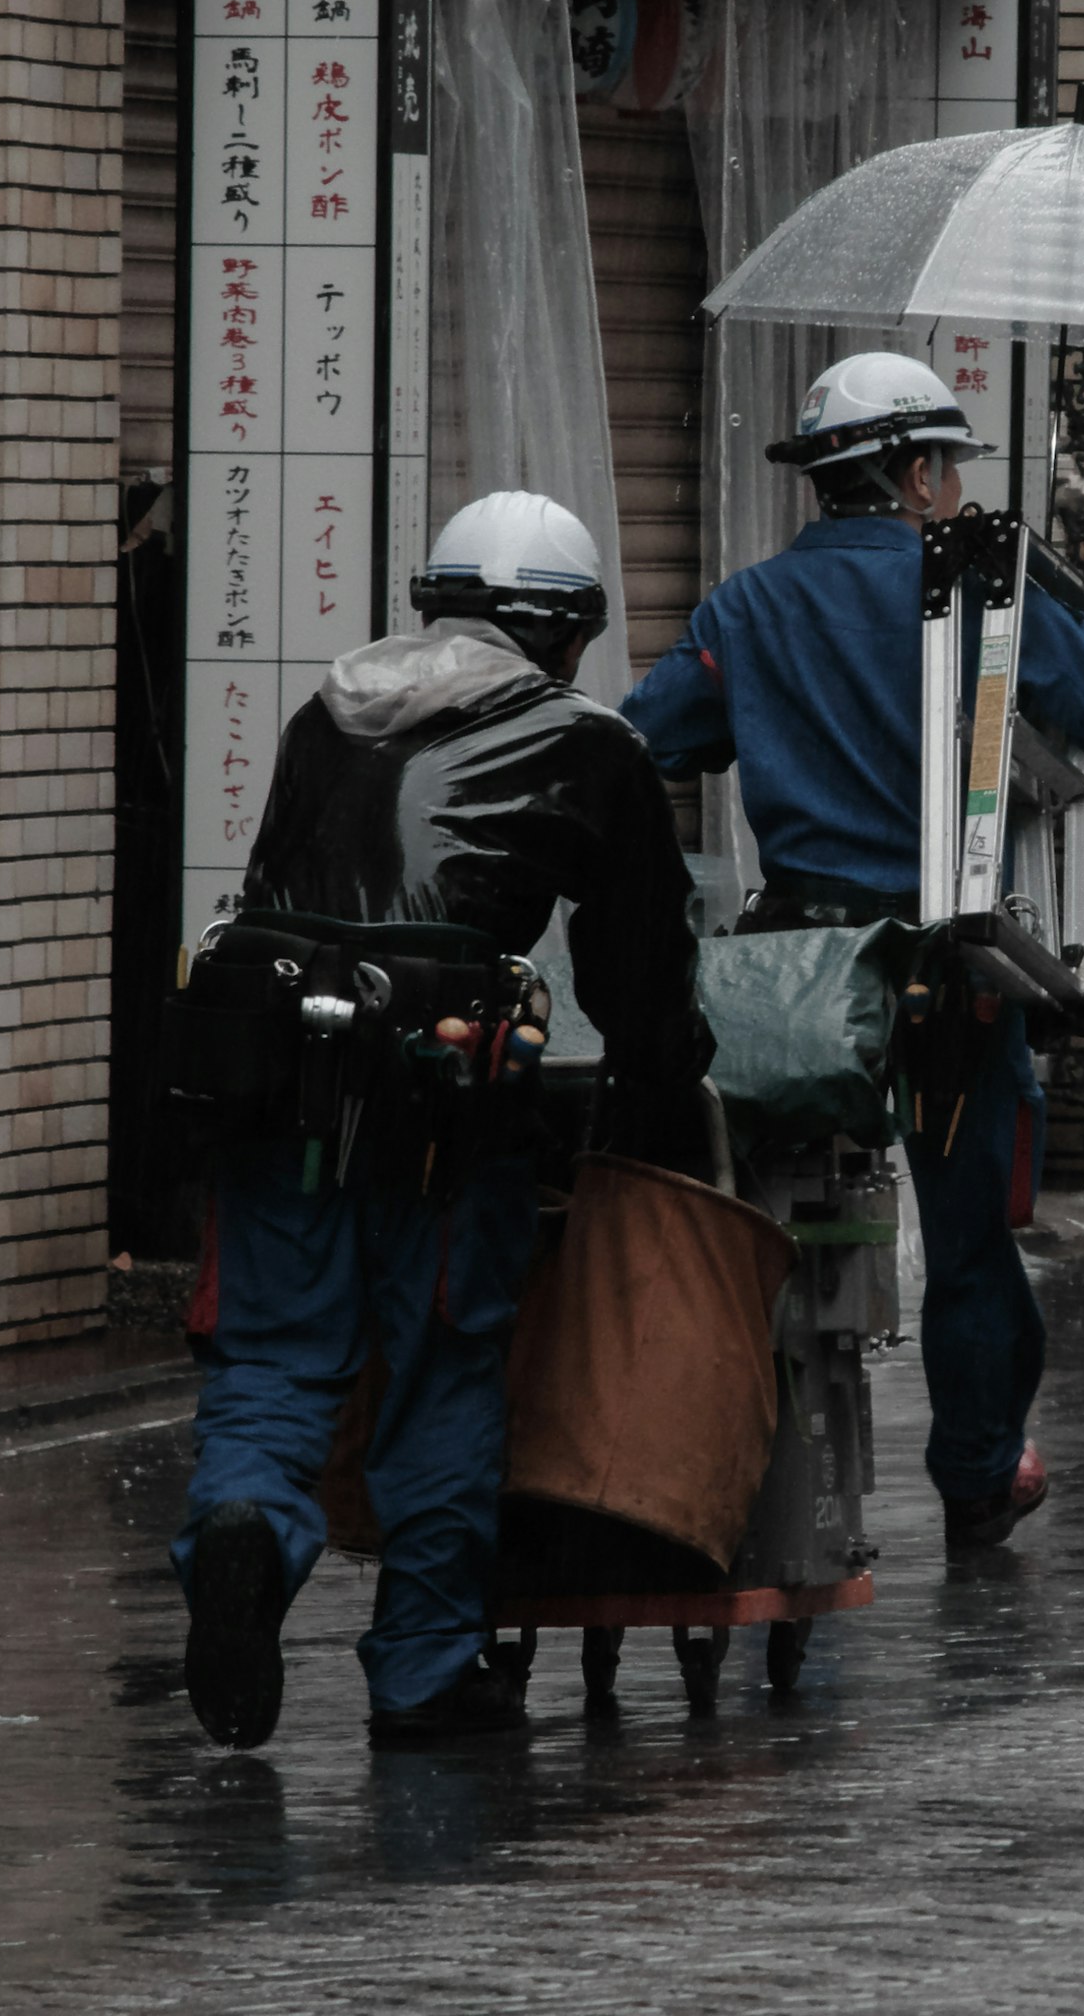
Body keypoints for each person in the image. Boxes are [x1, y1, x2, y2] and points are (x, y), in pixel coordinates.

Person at [173, 492, 710, 1748]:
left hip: (273, 1077)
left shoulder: (328, 709)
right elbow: (643, 970)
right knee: (437, 1368)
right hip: (442, 1092)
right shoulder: (583, 741)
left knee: (273, 1356)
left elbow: (275, 888)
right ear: (566, 629)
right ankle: (423, 1674)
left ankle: (241, 1529)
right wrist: (660, 1107)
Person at [623, 352, 1084, 1553]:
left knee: (757, 1221)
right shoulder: (978, 590)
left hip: (802, 969)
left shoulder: (744, 608)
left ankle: (734, 1465)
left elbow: (643, 739)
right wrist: (1032, 605)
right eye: (949, 466)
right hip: (949, 967)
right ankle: (975, 1471)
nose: (954, 486)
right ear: (915, 471)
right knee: (969, 1236)